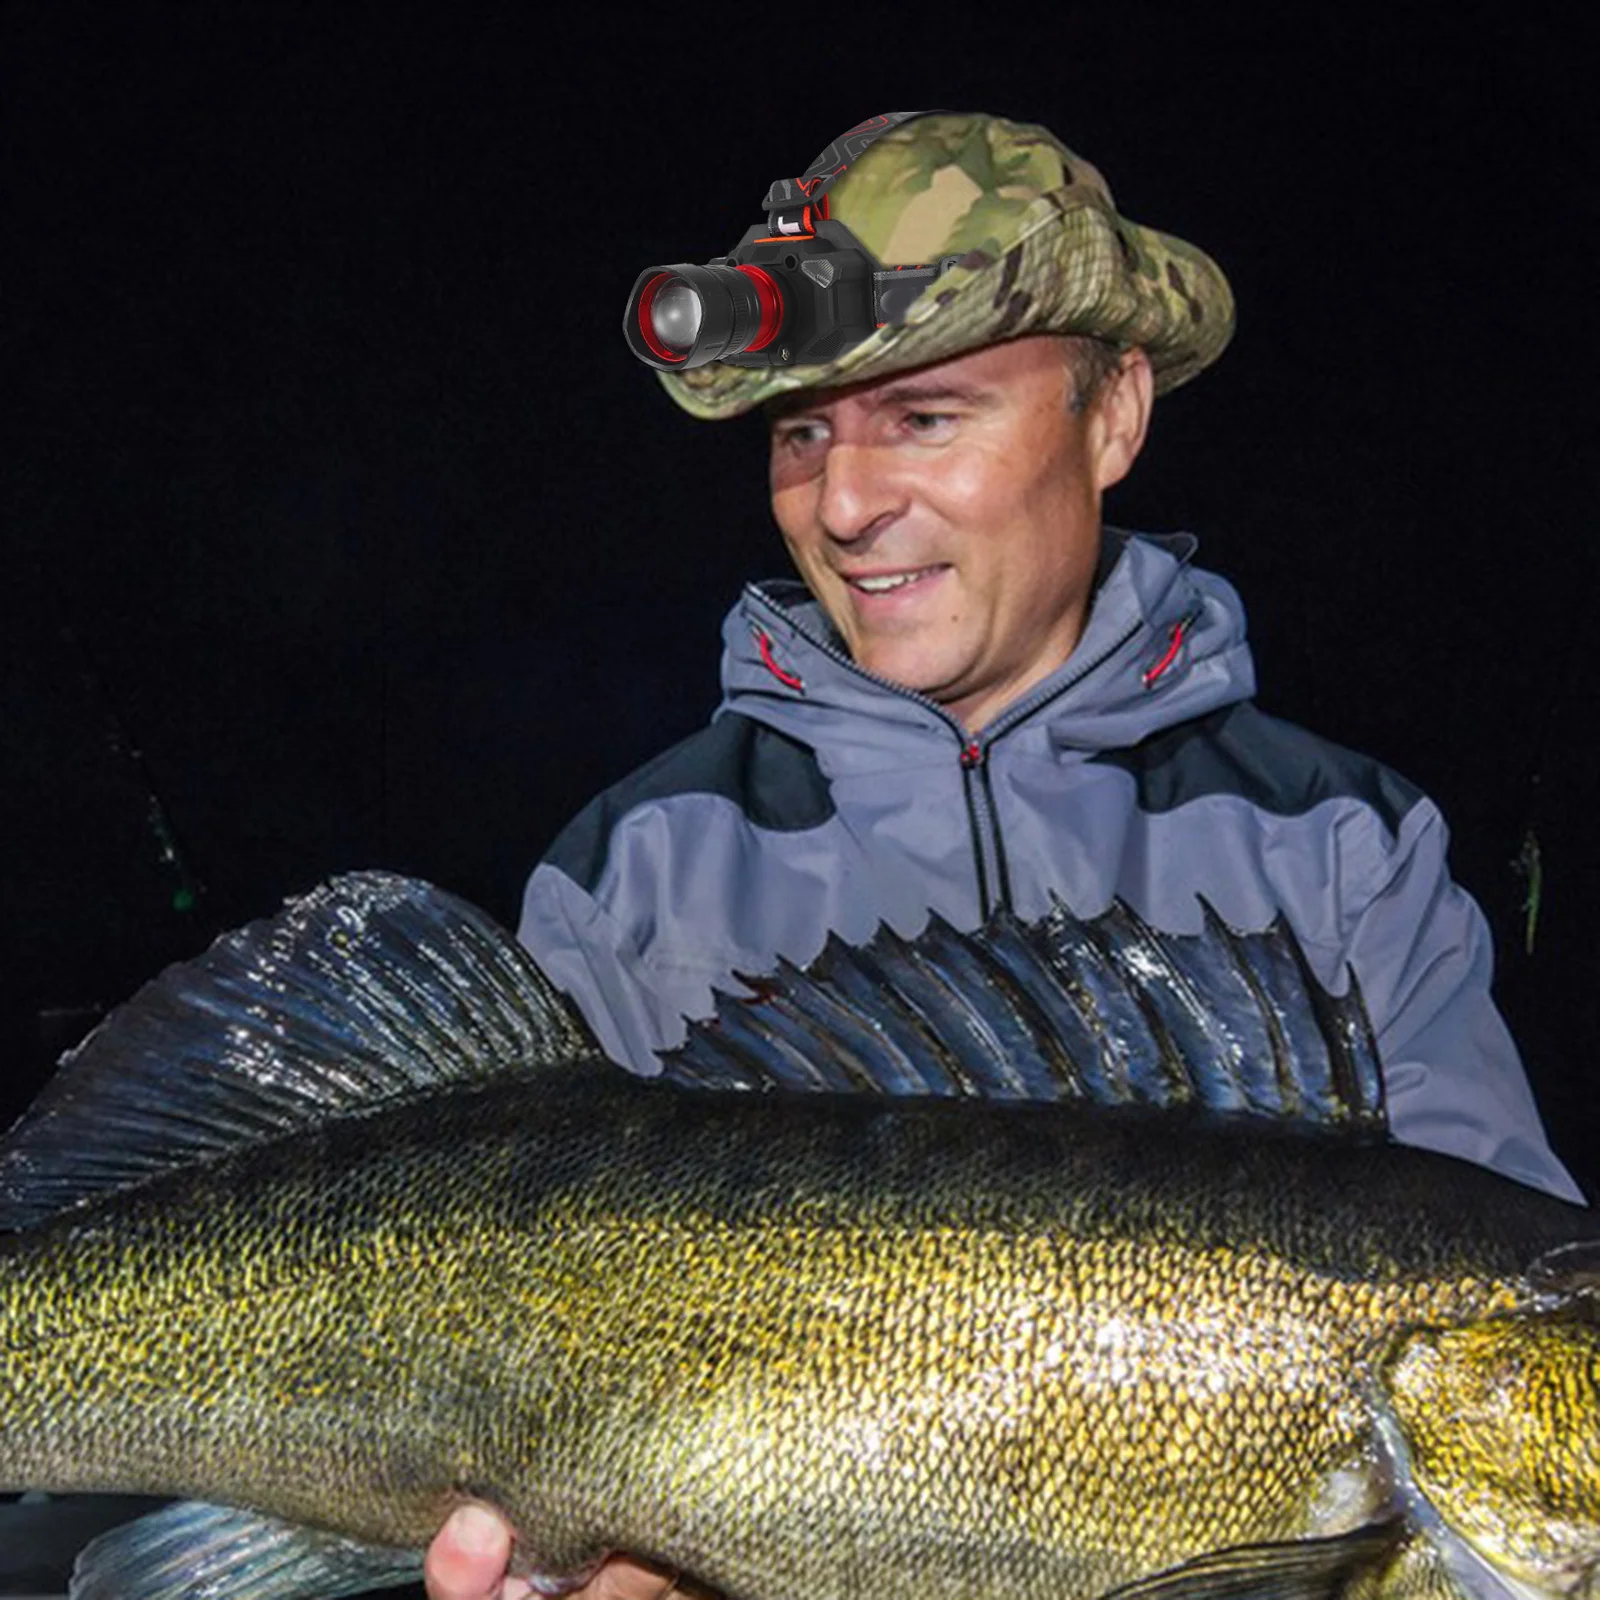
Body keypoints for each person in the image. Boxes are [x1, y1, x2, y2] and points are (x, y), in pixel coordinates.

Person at [423, 110, 1581, 1600]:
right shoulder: (638, 867)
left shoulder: (1347, 849)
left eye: (924, 417)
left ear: (1112, 419)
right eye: (802, 434)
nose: (840, 507)